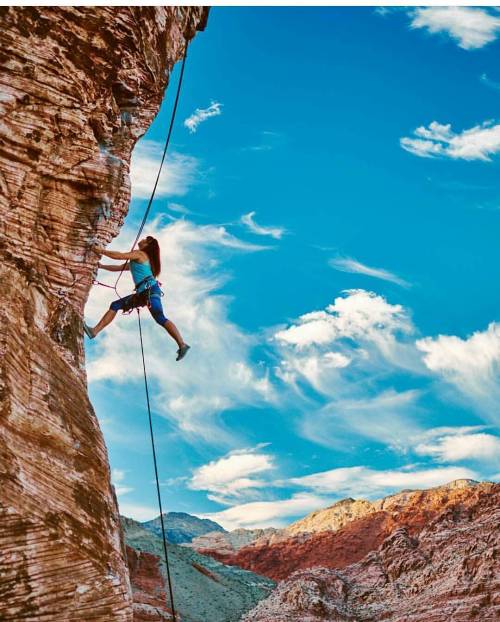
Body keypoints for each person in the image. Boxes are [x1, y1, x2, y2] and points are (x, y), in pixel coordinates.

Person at [83, 236, 190, 362]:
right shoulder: (137, 260)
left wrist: (99, 250)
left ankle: (182, 345)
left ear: (148, 245)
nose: (143, 239)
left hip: (149, 291)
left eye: (146, 239)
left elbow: (118, 256)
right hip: (143, 293)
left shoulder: (140, 254)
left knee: (160, 317)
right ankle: (94, 331)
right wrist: (101, 266)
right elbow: (118, 268)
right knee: (115, 305)